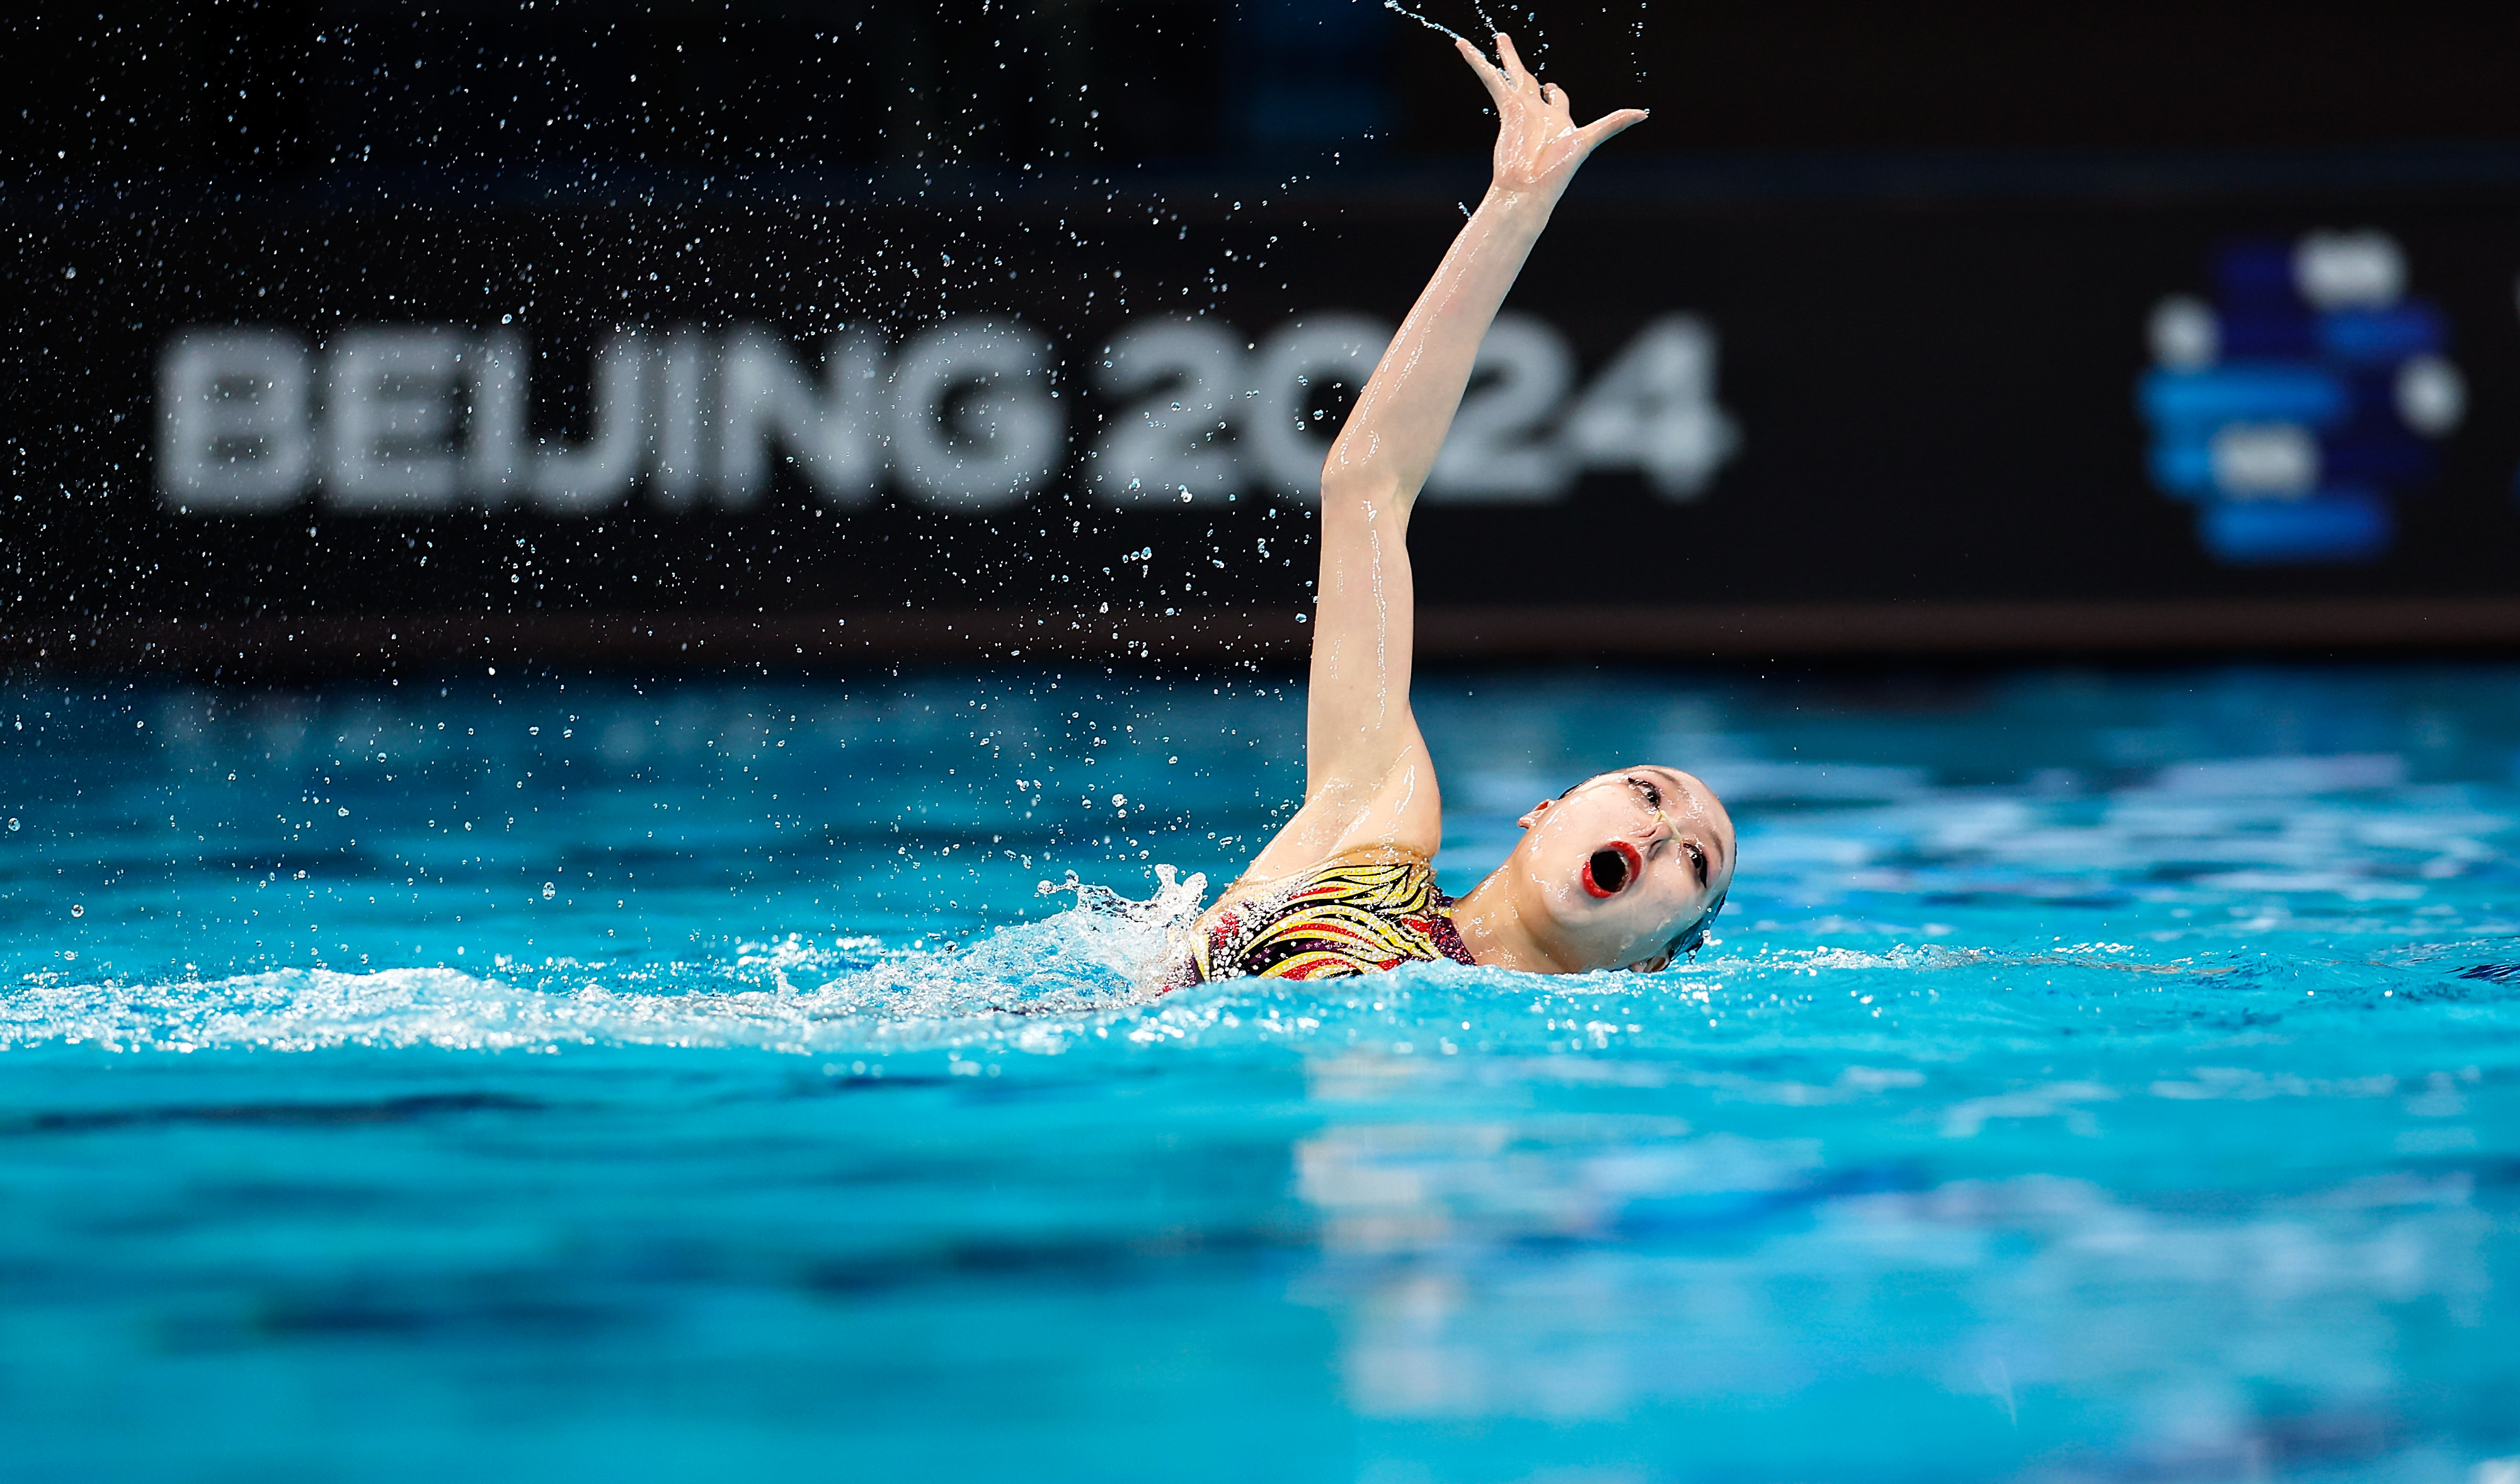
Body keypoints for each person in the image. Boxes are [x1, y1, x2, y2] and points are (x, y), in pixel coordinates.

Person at [1157, 33, 1735, 991]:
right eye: (1646, 792)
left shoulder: (1548, 1101)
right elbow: (1368, 484)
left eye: (1694, 862)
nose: (1656, 829)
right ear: (1543, 810)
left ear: (1662, 957)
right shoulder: (1374, 822)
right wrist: (1515, 207)